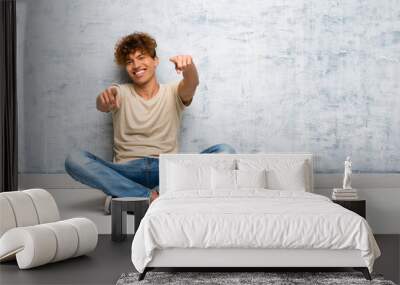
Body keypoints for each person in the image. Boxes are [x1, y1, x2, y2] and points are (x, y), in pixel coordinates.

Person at [64, 32, 235, 213]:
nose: (136, 65)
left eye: (141, 57)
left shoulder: (173, 91)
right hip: (127, 171)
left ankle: (127, 197)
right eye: (129, 62)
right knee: (74, 159)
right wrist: (103, 99)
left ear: (155, 61)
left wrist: (189, 66)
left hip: (168, 170)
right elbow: (103, 102)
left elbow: (192, 83)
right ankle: (151, 197)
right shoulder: (119, 91)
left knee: (226, 152)